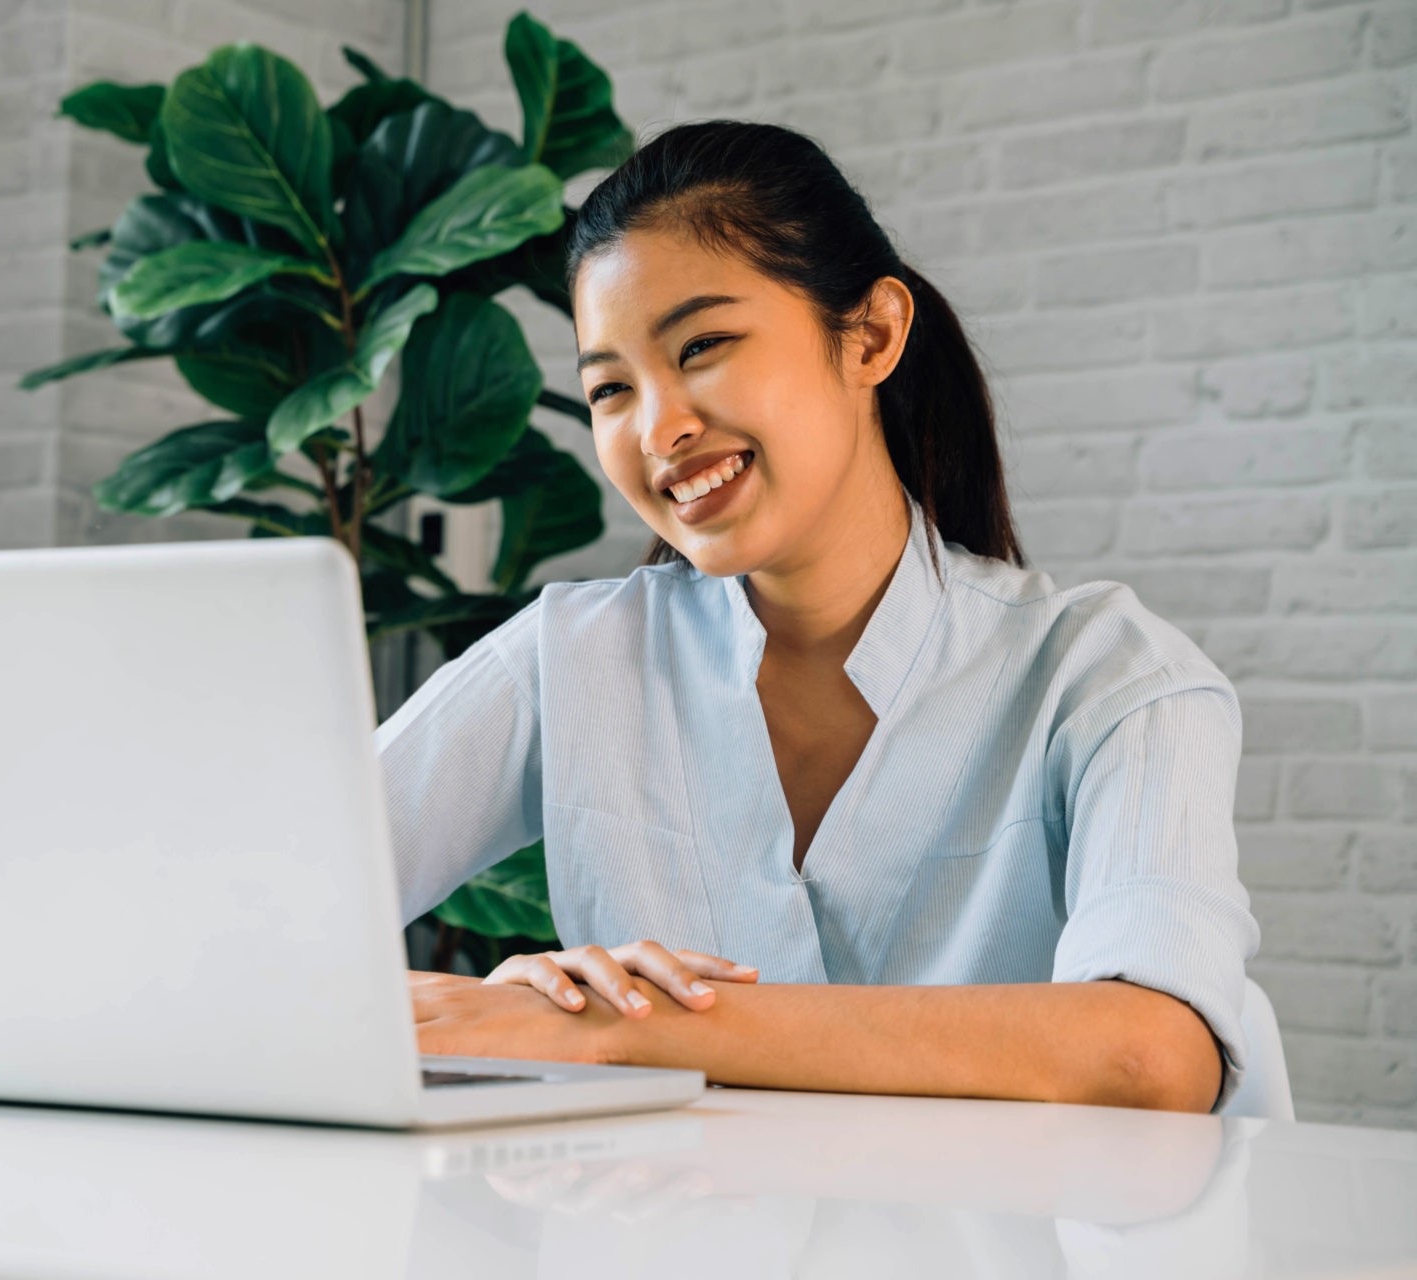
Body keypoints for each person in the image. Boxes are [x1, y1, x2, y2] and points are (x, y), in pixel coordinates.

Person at [377, 119, 1260, 1114]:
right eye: (611, 389)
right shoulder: (572, 656)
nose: (659, 428)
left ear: (873, 333)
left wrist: (629, 1028)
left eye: (703, 345)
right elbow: (253, 897)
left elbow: (1152, 1055)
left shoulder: (1109, 673)